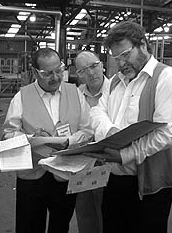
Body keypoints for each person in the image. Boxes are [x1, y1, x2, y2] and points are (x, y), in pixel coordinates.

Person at [89, 21, 172, 233]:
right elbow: (97, 112)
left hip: (151, 183)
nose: (121, 63)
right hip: (115, 176)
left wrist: (125, 153)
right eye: (116, 58)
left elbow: (164, 134)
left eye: (125, 54)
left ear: (143, 45)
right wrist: (110, 132)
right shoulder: (116, 82)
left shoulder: (169, 79)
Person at [3, 48, 93, 233]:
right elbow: (9, 133)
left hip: (65, 174)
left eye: (59, 70)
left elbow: (87, 129)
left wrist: (70, 141)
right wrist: (30, 138)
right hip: (33, 175)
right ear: (35, 72)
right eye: (47, 73)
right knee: (29, 225)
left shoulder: (75, 93)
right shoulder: (22, 97)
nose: (55, 77)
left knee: (61, 225)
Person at [74, 50, 109, 233]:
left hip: (110, 161)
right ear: (78, 74)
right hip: (83, 162)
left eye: (94, 66)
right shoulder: (75, 96)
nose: (91, 72)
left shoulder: (117, 91)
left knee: (109, 211)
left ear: (102, 65)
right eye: (83, 70)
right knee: (85, 211)